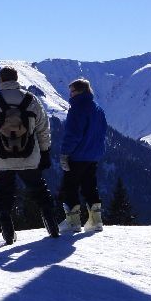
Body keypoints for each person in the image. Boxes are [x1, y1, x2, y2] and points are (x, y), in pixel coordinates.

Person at [0, 66, 59, 245]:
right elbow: (43, 129)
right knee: (39, 190)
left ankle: (8, 232)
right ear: (16, 80)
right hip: (29, 156)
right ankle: (52, 225)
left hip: (1, 158)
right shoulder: (31, 100)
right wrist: (45, 152)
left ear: (1, 81)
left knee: (4, 192)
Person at [58, 78, 108, 233]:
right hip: (93, 155)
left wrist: (65, 153)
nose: (70, 94)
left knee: (70, 186)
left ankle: (73, 222)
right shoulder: (97, 108)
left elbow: (73, 134)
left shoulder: (77, 108)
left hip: (77, 155)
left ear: (80, 91)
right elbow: (102, 131)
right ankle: (96, 221)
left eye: (72, 91)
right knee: (90, 186)